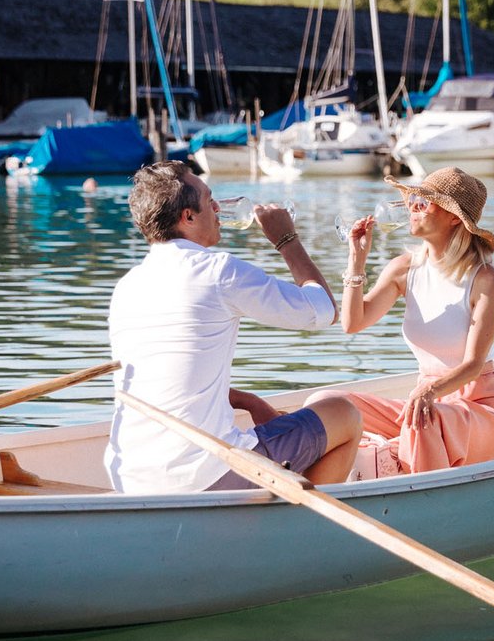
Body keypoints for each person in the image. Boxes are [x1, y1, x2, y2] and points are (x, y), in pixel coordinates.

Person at [106, 160, 360, 494]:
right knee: (344, 414)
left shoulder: (127, 286)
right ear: (188, 216)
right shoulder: (219, 271)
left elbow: (172, 381)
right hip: (205, 474)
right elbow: (323, 311)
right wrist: (286, 239)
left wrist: (249, 402)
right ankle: (303, 531)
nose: (217, 207)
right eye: (209, 199)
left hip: (129, 476)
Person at [321, 166, 494, 474]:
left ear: (454, 217)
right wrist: (356, 261)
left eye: (423, 203)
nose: (412, 207)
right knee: (327, 403)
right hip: (425, 404)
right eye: (412, 200)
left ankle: (411, 491)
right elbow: (352, 323)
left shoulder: (484, 278)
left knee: (421, 419)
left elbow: (474, 364)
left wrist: (429, 392)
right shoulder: (404, 268)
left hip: (478, 410)